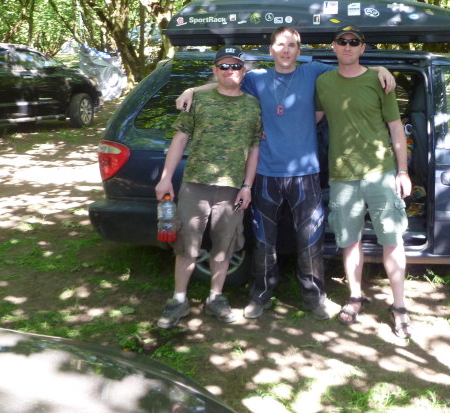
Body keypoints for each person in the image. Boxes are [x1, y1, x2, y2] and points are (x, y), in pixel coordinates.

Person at [175, 27, 395, 320]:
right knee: (264, 241)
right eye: (281, 45)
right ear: (271, 50)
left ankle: (314, 297)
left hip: (306, 173)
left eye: (292, 45)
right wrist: (192, 90)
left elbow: (350, 64)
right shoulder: (256, 78)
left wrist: (381, 68)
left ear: (299, 50)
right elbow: (226, 82)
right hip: (265, 173)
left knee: (310, 239)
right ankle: (260, 295)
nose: (286, 50)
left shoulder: (313, 72)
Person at [315, 25, 413, 339]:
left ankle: (399, 307)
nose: (347, 46)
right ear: (333, 47)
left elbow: (396, 128)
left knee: (391, 239)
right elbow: (307, 118)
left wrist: (402, 171)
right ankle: (355, 297)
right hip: (342, 175)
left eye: (353, 42)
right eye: (342, 42)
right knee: (349, 240)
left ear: (362, 47)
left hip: (380, 173)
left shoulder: (378, 80)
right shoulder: (322, 81)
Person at [155, 45, 262, 328]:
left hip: (231, 191)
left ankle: (216, 298)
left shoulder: (253, 105)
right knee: (186, 246)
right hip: (195, 185)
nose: (230, 71)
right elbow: (179, 140)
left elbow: (254, 148)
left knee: (224, 248)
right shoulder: (199, 100)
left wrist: (247, 186)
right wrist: (166, 177)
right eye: (223, 66)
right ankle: (179, 300)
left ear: (244, 71)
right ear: (215, 71)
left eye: (235, 66)